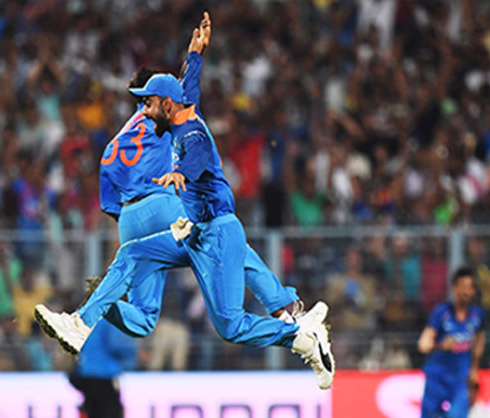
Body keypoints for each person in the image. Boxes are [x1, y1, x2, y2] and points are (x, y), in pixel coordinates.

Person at [35, 12, 335, 389]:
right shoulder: (182, 107)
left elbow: (195, 153)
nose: (144, 112)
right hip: (192, 228)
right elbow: (189, 82)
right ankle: (80, 324)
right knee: (134, 256)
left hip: (213, 230)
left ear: (165, 105)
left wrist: (182, 175)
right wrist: (196, 53)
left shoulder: (187, 132)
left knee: (227, 324)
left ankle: (299, 334)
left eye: (148, 105)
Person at [418, 267, 485, 418]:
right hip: (437, 377)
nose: (467, 292)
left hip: (460, 379)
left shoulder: (477, 315)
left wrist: (475, 368)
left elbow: (479, 339)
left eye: (470, 287)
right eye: (463, 287)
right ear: (455, 288)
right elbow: (423, 344)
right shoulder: (441, 313)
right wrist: (441, 345)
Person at [68, 321, 136, 418]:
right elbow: (116, 345)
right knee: (110, 412)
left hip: (87, 375)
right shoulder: (110, 319)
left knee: (92, 412)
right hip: (105, 376)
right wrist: (131, 351)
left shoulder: (89, 319)